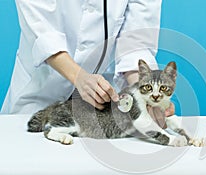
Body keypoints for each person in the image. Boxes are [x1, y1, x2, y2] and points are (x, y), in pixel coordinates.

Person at [1, 0, 174, 120]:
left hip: (94, 108)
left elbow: (136, 43)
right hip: (37, 96)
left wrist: (144, 96)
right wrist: (80, 78)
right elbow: (42, 34)